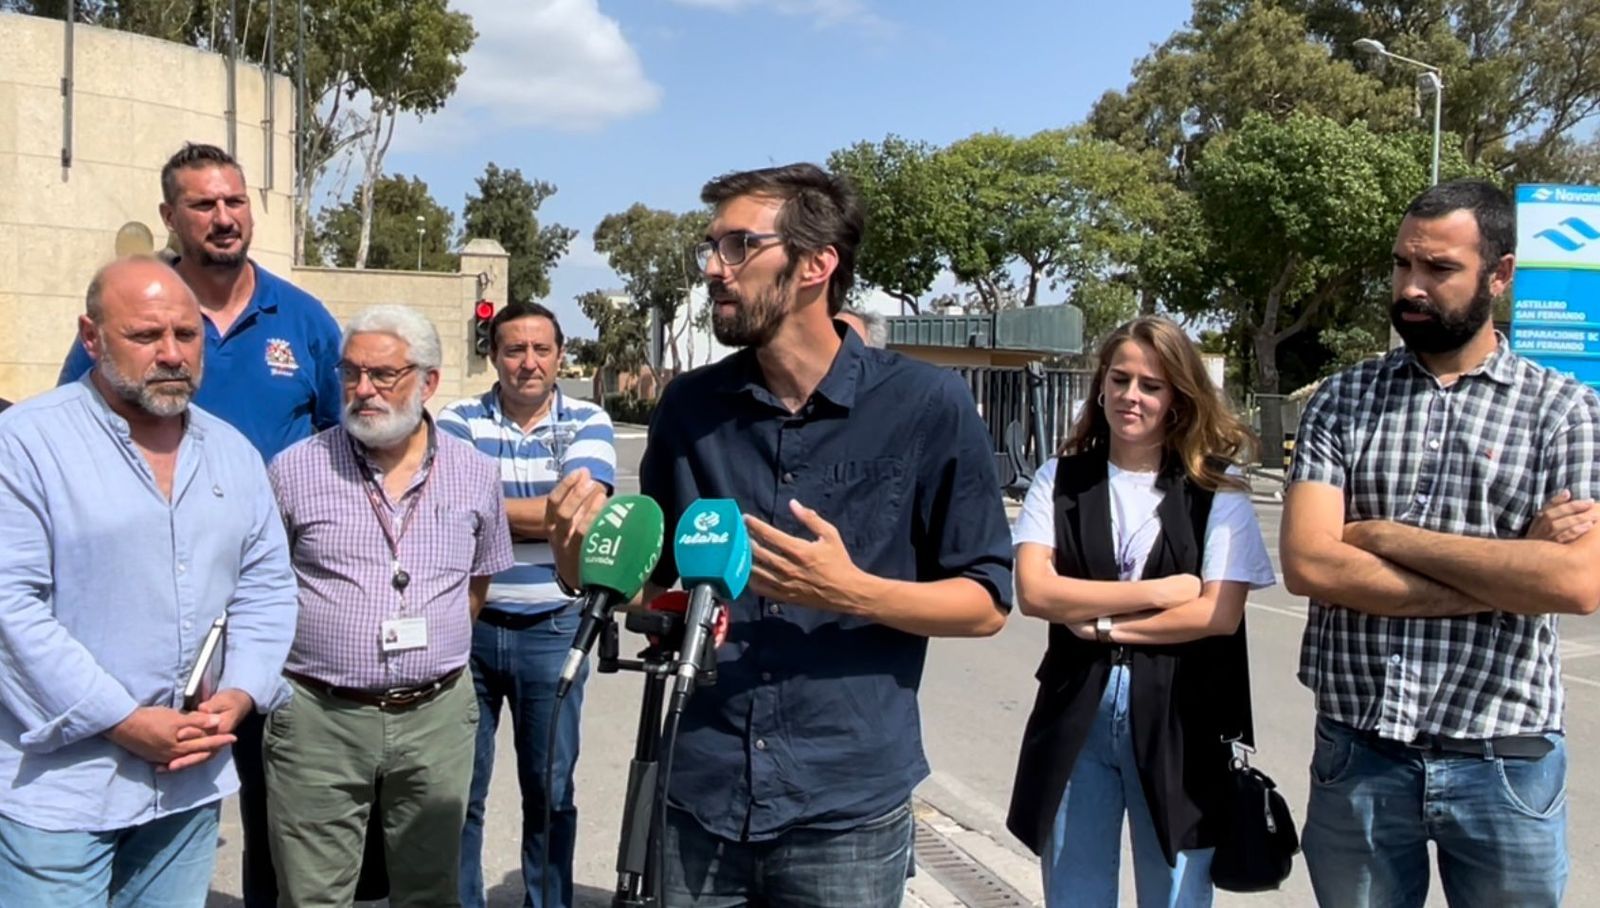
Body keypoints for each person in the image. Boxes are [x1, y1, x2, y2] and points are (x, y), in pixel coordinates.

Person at [547, 163, 1013, 907]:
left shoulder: (927, 405)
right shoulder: (690, 408)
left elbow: (986, 602)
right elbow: (653, 586)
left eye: (738, 245)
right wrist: (581, 561)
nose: (713, 267)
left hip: (846, 813)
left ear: (815, 265)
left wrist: (851, 591)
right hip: (699, 795)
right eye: (710, 247)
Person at [1281, 179, 1600, 907]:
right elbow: (1310, 562)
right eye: (1402, 264)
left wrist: (1383, 536)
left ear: (1500, 274)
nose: (1411, 288)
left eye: (1439, 268)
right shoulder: (1342, 401)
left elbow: (1576, 584)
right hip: (1360, 753)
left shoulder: (1565, 413)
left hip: (1505, 759)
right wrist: (1511, 572)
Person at [57, 142, 345, 907]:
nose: (224, 217)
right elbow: (75, 432)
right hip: (146, 614)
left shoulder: (305, 321)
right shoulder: (132, 314)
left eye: (235, 201)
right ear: (170, 216)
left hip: (271, 608)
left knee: (280, 813)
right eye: (204, 204)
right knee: (138, 799)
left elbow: (345, 444)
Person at [0, 257, 297, 905]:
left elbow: (266, 586)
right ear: (91, 337)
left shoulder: (232, 454)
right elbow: (10, 610)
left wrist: (240, 692)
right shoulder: (24, 444)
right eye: (145, 335)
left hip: (189, 785)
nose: (171, 354)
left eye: (186, 335)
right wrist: (122, 719)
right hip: (61, 790)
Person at [1004, 316, 1276, 906]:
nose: (1132, 396)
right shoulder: (1060, 478)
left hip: (1182, 718)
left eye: (1151, 386)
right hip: (1076, 710)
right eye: (1120, 379)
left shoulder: (1216, 487)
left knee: (1175, 892)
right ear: (1101, 385)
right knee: (1074, 893)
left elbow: (1216, 615)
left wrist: (1101, 626)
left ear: (1178, 397)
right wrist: (1160, 592)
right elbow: (1037, 593)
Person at [265, 304, 514, 907]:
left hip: (436, 716)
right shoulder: (295, 470)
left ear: (428, 382)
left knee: (430, 891)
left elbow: (476, 582)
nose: (363, 389)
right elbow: (262, 588)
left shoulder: (476, 474)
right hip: (319, 717)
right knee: (311, 895)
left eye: (383, 374)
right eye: (351, 373)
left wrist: (430, 651)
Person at [438, 300, 618, 908]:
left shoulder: (588, 420)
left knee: (550, 791)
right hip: (469, 628)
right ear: (493, 356)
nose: (529, 362)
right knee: (458, 790)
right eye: (514, 349)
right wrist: (544, 513)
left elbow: (584, 515)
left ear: (560, 356)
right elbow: (448, 507)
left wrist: (486, 510)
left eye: (542, 349)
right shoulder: (458, 420)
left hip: (555, 627)